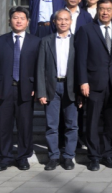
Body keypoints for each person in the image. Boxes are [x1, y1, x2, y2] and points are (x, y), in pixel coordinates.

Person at [0, 6, 40, 172]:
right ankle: (4, 158)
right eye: (15, 18)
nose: (18, 21)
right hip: (4, 89)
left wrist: (37, 87)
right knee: (4, 125)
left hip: (27, 89)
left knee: (25, 125)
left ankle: (23, 157)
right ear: (10, 21)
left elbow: (39, 67)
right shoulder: (0, 41)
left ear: (27, 22)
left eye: (22, 18)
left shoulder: (35, 41)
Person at [75, 0, 112, 171]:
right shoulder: (86, 30)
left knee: (111, 122)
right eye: (102, 9)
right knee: (93, 122)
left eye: (108, 9)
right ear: (97, 10)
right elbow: (80, 59)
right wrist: (83, 81)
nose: (105, 12)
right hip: (93, 83)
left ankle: (108, 154)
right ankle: (94, 156)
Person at [36, 9, 80, 171]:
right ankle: (53, 157)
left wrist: (81, 92)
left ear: (71, 22)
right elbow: (40, 68)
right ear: (54, 22)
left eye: (66, 19)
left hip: (71, 88)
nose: (63, 22)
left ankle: (68, 157)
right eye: (60, 19)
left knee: (72, 125)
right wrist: (41, 91)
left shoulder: (77, 41)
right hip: (51, 87)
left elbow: (81, 67)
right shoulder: (46, 41)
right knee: (51, 125)